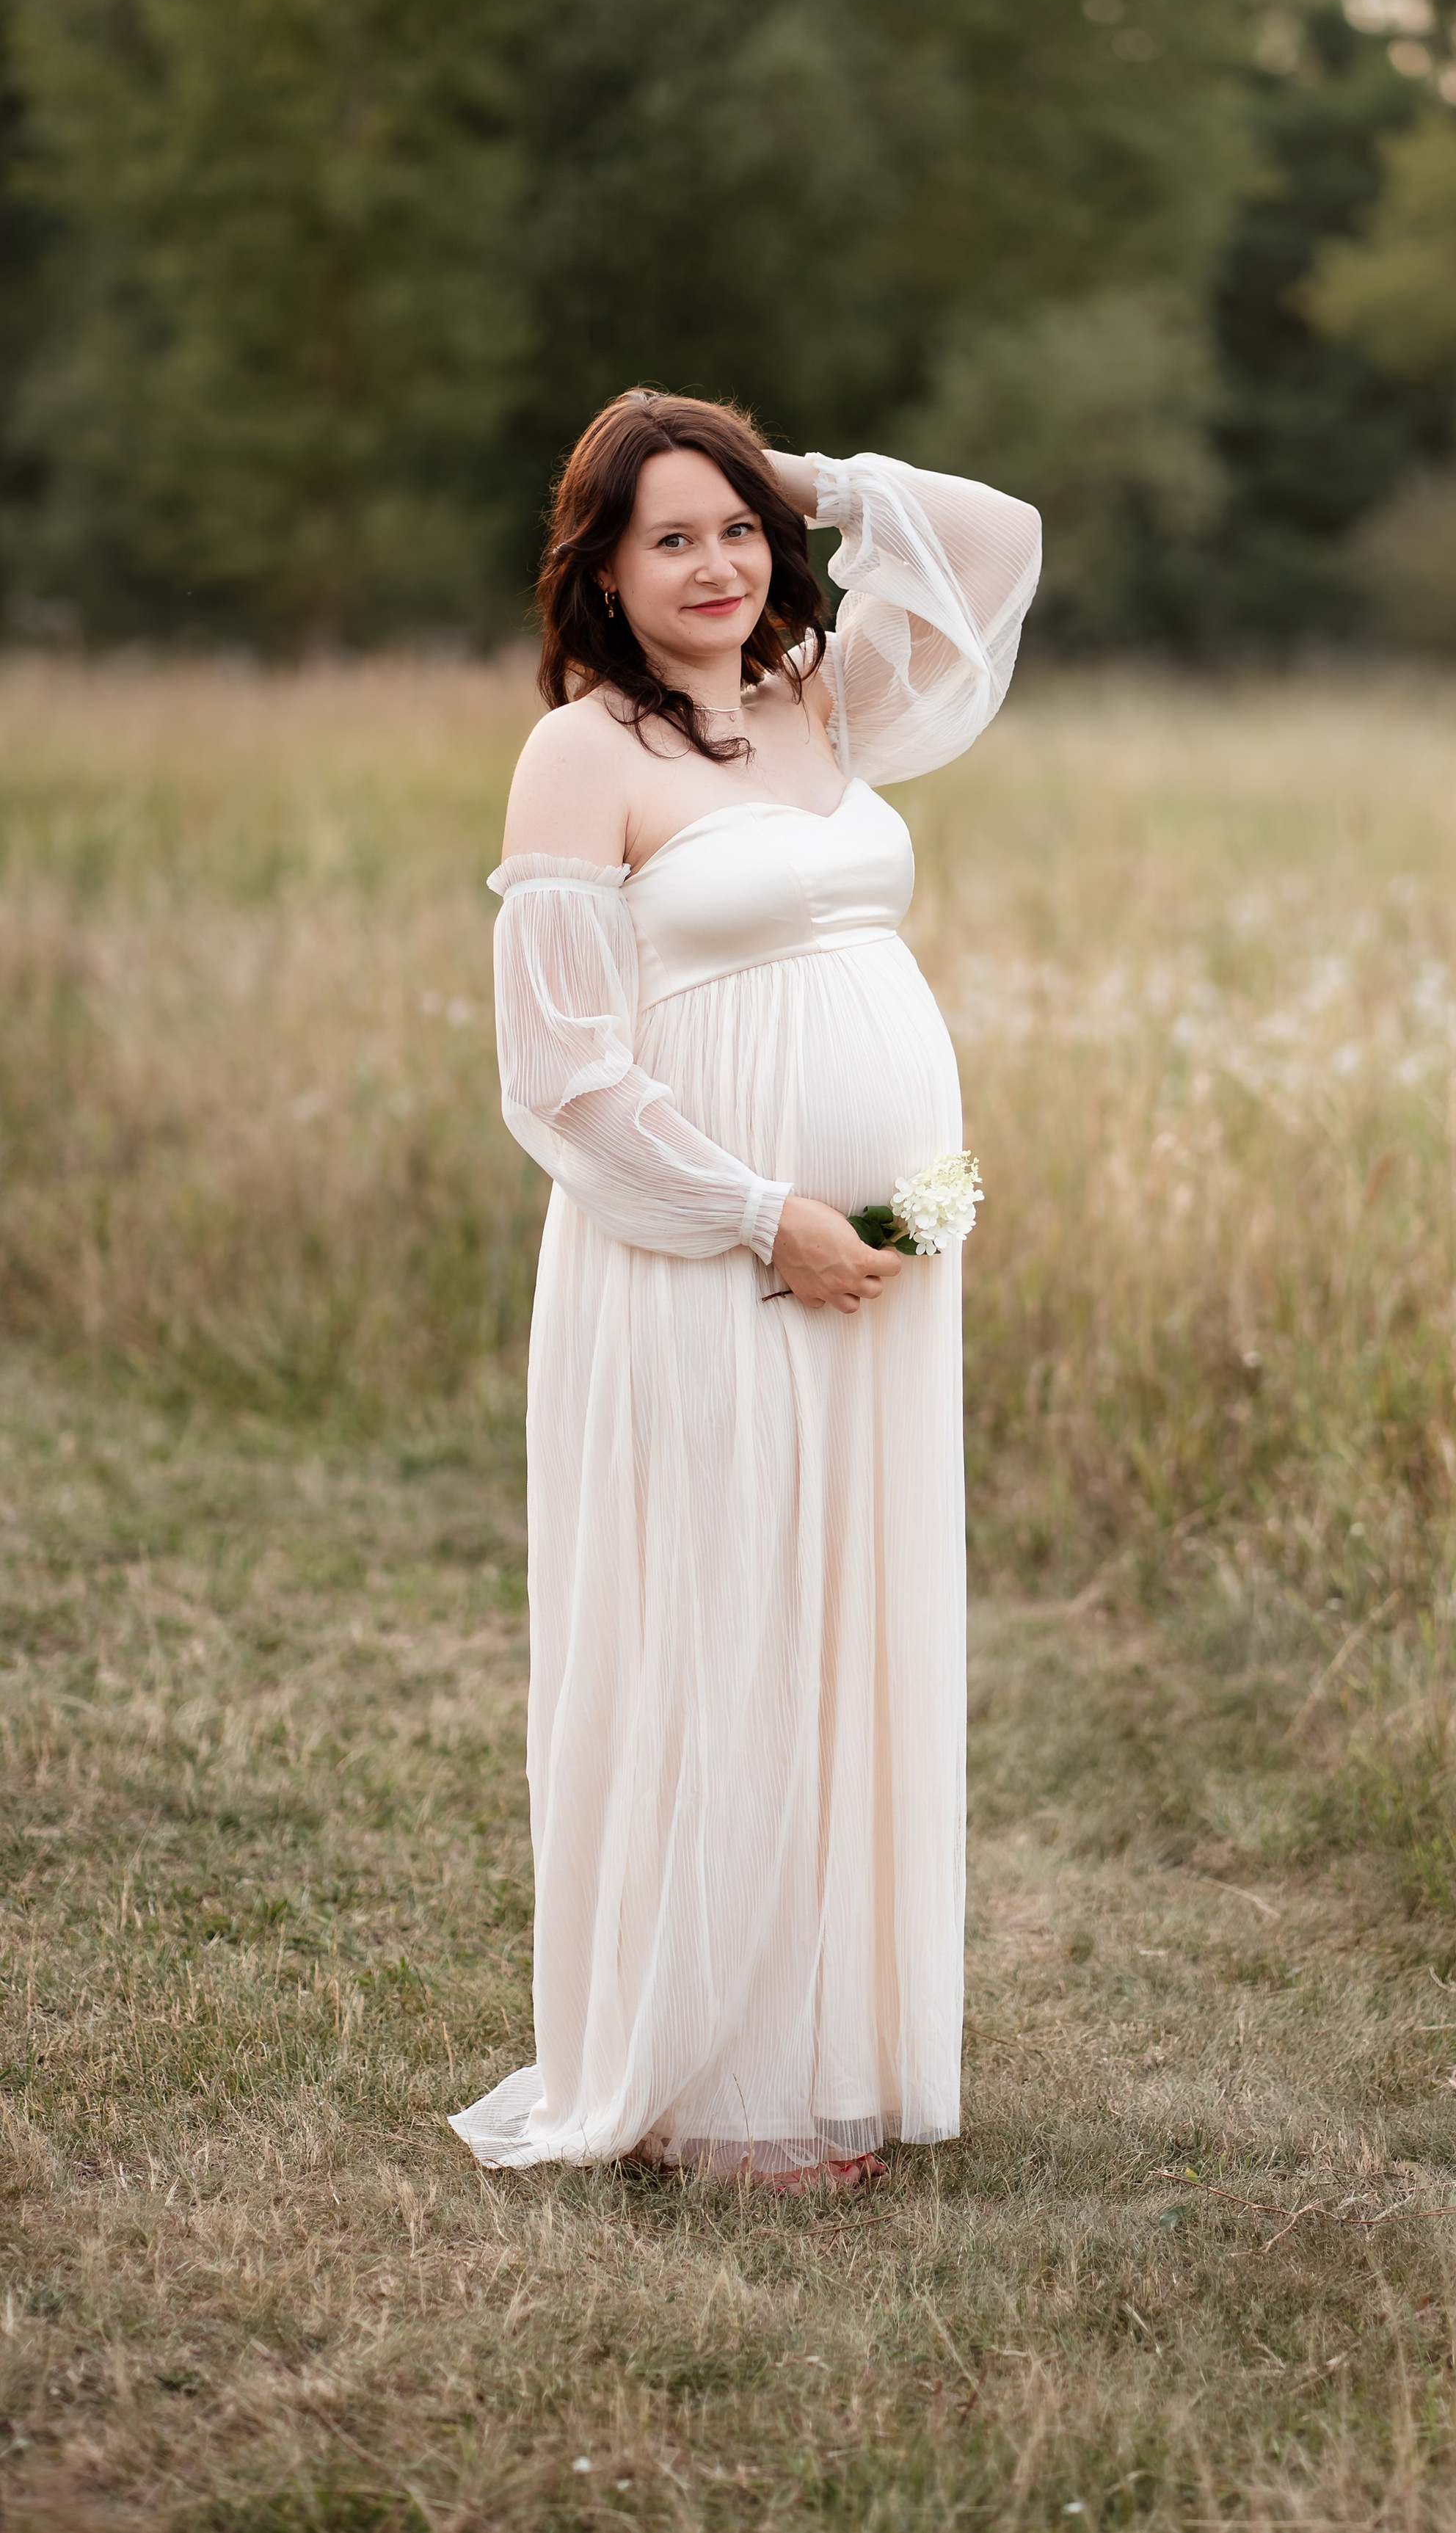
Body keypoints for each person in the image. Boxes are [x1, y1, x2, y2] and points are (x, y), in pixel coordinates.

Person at [448, 390, 1041, 2192]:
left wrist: (809, 478)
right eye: (668, 537)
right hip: (695, 1249)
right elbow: (555, 1072)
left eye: (733, 531)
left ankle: (816, 2049)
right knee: (723, 1620)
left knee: (839, 1620)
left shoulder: (821, 703)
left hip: (870, 1264)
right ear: (602, 573)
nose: (712, 566)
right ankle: (709, 2097)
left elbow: (999, 538)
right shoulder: (582, 753)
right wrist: (748, 1211)